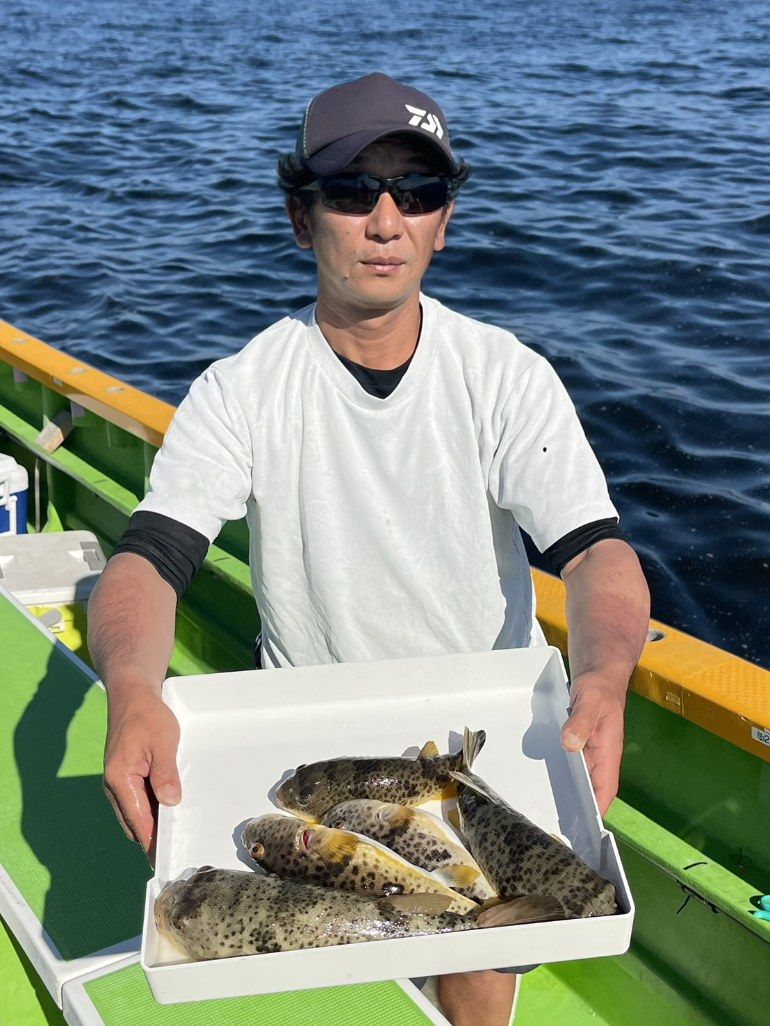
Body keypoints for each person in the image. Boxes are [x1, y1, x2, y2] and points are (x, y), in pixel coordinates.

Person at [88, 72, 650, 1025]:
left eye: (416, 192)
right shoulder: (240, 390)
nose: (386, 221)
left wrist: (603, 678)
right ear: (301, 218)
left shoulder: (506, 377)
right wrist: (133, 690)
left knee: (480, 955)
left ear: (444, 222)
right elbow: (150, 557)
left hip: (478, 735)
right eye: (353, 191)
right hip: (310, 737)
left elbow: (596, 552)